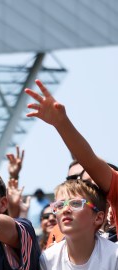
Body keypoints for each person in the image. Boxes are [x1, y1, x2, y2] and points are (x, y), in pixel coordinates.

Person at [25, 80, 118, 245]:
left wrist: (62, 123)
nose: (93, 186)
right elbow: (88, 159)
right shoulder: (57, 239)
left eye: (97, 182)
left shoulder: (112, 255)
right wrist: (60, 123)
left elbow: (90, 160)